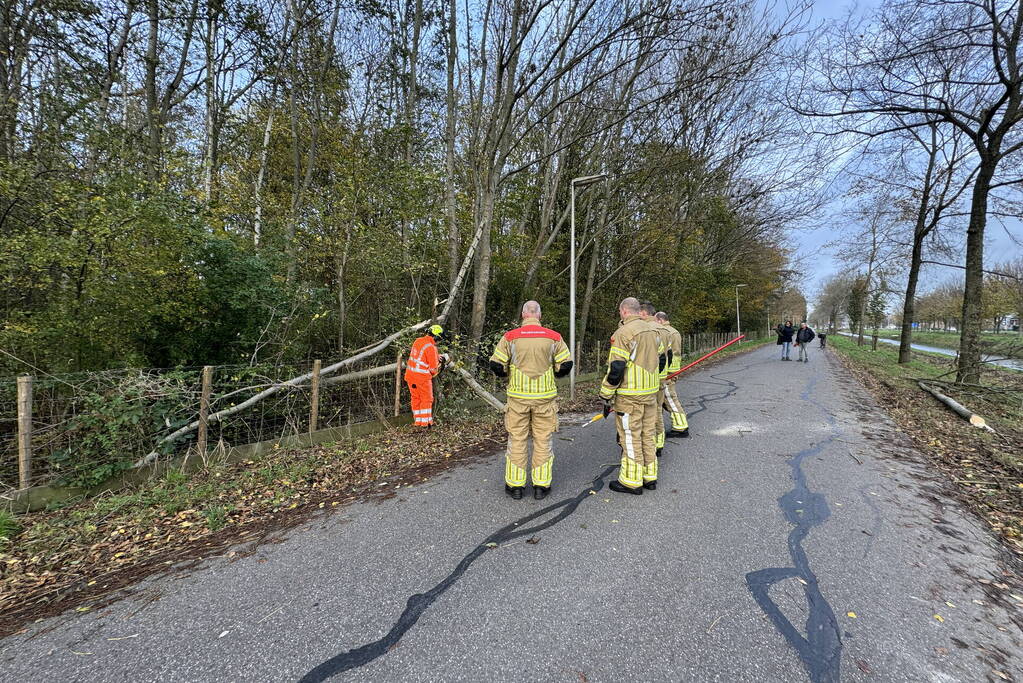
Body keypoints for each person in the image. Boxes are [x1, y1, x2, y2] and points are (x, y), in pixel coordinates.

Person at [489, 301, 572, 500]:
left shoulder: (510, 337)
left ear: (523, 314)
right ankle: (541, 486)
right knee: (543, 440)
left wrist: (507, 373)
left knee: (517, 439)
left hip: (518, 398)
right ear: (539, 315)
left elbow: (496, 365)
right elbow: (565, 365)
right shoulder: (554, 337)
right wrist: (555, 372)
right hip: (544, 398)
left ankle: (515, 486)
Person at [599, 297, 665, 495]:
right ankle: (649, 476)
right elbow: (663, 359)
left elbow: (617, 367)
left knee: (630, 436)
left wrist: (606, 393)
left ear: (624, 311)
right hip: (650, 393)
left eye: (620, 311)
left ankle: (631, 481)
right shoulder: (654, 331)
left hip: (630, 395)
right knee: (647, 434)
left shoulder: (623, 333)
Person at [655, 311, 689, 440]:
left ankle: (681, 426)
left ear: (660, 320)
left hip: (668, 372)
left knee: (670, 399)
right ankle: (678, 424)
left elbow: (667, 354)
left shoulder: (666, 332)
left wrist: (667, 372)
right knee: (666, 399)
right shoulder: (674, 331)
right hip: (672, 370)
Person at [404, 324, 447, 427]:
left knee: (416, 399)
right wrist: (442, 366)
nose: (438, 342)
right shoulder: (432, 348)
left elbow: (421, 356)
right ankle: (426, 423)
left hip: (410, 377)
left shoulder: (417, 341)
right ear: (436, 337)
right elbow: (433, 370)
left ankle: (418, 422)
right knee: (427, 399)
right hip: (422, 379)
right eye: (439, 339)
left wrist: (437, 357)